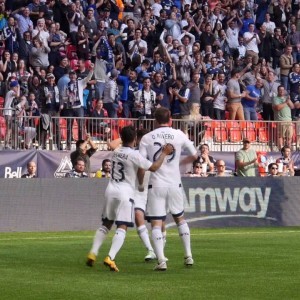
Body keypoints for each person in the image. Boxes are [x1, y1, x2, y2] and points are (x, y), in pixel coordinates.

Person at [86, 126, 174, 272]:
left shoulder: (116, 152)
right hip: (125, 193)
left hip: (110, 190)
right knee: (122, 226)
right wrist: (164, 154)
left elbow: (114, 144)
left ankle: (93, 252)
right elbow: (153, 167)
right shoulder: (134, 155)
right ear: (134, 139)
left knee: (106, 223)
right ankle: (110, 257)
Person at [139, 107, 198, 271]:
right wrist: (179, 163)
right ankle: (188, 256)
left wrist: (139, 183)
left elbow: (142, 163)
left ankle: (161, 261)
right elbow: (194, 155)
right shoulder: (179, 134)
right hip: (174, 183)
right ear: (170, 119)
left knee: (156, 224)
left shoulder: (146, 137)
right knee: (180, 219)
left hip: (156, 184)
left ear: (155, 120)